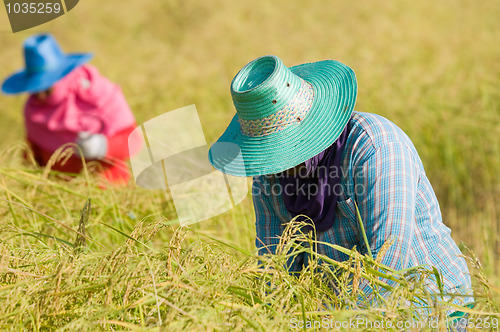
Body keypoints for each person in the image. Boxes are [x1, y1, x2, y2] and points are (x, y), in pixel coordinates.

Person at [208, 55, 473, 327]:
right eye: (271, 155)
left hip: (428, 309)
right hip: (337, 313)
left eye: (282, 151)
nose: (278, 168)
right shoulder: (269, 176)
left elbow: (388, 266)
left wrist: (337, 324)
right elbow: (275, 267)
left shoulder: (376, 149)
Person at [1, 34, 140, 184]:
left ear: (62, 78)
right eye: (35, 90)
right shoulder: (33, 109)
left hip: (107, 189)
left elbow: (134, 141)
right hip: (59, 195)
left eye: (47, 90)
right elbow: (32, 156)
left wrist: (103, 146)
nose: (41, 96)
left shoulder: (99, 95)